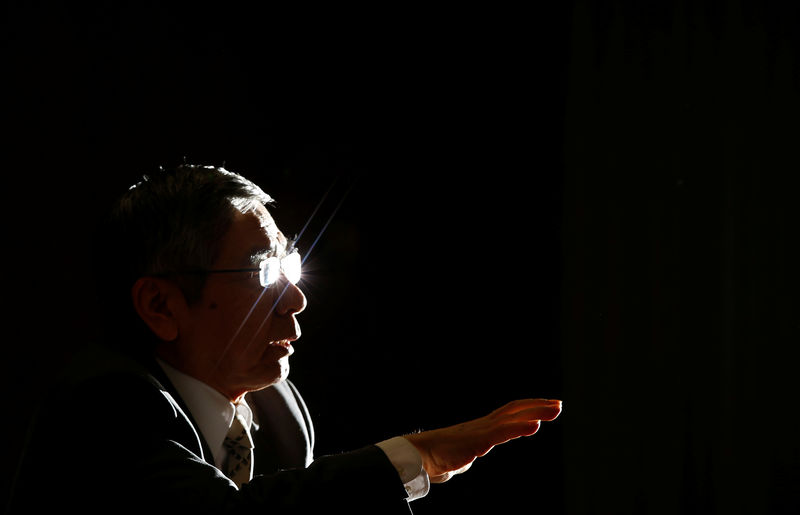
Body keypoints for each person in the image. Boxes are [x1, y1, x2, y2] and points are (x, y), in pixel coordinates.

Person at [8, 164, 561, 514]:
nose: (295, 300)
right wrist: (422, 453)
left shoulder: (279, 410)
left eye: (287, 266)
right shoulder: (103, 406)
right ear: (161, 306)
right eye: (261, 273)